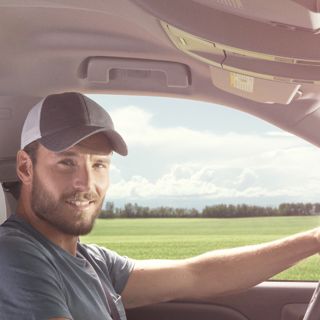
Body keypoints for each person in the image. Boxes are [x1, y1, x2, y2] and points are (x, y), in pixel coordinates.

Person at [0, 92, 319, 320]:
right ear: (26, 168)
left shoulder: (91, 260)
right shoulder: (13, 255)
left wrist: (314, 240)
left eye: (99, 165)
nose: (86, 183)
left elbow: (197, 275)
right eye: (67, 163)